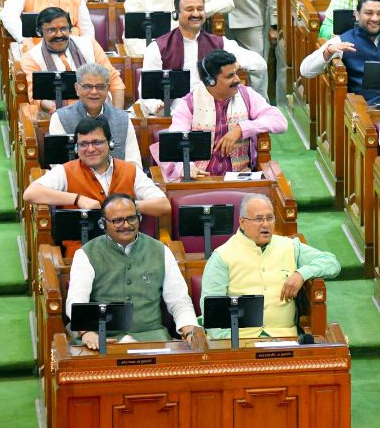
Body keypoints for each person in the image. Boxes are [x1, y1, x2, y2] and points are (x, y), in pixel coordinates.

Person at [66, 193, 200, 350]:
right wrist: (87, 333)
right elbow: (76, 302)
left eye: (131, 218)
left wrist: (190, 331)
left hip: (152, 338)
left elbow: (179, 301)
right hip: (103, 339)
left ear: (139, 218)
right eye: (117, 221)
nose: (126, 225)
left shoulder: (161, 251)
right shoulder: (86, 254)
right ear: (103, 224)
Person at [24, 116, 170, 258]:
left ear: (110, 143)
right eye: (83, 144)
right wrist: (78, 199)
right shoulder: (65, 171)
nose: (90, 149)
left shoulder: (130, 170)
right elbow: (30, 193)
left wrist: (126, 207)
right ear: (76, 147)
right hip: (82, 257)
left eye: (97, 142)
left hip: (128, 255)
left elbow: (163, 205)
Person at [200, 193, 341, 339]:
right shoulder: (222, 256)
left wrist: (301, 274)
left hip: (285, 337)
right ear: (242, 222)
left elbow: (331, 262)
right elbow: (210, 309)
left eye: (270, 218)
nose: (266, 224)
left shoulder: (289, 246)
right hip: (240, 339)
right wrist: (226, 343)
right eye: (259, 219)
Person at [153, 50, 287, 181]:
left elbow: (280, 122)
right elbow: (175, 142)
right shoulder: (188, 104)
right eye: (230, 76)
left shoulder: (247, 95)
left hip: (239, 179)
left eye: (236, 73)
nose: (237, 80)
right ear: (210, 81)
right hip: (200, 180)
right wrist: (187, 167)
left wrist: (241, 129)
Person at [140, 0, 265, 114]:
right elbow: (145, 89)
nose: (196, 14)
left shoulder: (219, 43)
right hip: (175, 114)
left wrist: (235, 65)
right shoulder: (158, 47)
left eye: (200, 9)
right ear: (176, 14)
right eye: (189, 9)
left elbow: (260, 64)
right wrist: (158, 107)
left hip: (216, 112)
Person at [301, 0, 380, 105]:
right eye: (369, 13)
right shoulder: (342, 41)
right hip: (360, 109)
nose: (375, 18)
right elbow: (305, 70)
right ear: (357, 14)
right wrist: (328, 52)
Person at [20, 7, 123, 113]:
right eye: (52, 30)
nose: (59, 34)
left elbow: (114, 80)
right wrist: (60, 113)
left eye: (63, 29)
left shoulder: (89, 45)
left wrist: (117, 115)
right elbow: (38, 97)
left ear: (70, 29)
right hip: (58, 115)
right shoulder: (32, 58)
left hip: (102, 113)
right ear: (40, 32)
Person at [50, 62, 142, 169]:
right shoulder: (60, 118)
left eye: (100, 87)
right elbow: (58, 167)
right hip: (73, 179)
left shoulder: (123, 119)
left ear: (108, 89)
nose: (94, 92)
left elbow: (134, 165)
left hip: (115, 178)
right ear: (77, 88)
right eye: (87, 86)